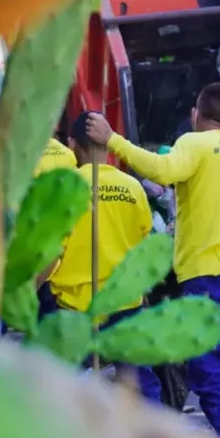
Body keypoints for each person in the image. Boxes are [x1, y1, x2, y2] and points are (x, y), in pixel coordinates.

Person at [85, 82, 220, 438]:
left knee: (212, 377)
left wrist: (113, 139)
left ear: (196, 115)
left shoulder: (196, 142)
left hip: (212, 275)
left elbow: (163, 171)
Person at [38, 112, 162, 402]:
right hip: (126, 304)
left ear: (72, 144)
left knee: (67, 392)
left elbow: (52, 252)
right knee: (141, 385)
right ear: (106, 144)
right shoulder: (133, 188)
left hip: (78, 309)